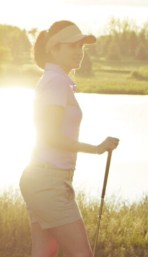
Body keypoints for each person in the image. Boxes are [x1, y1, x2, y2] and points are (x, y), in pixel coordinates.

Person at [20, 21, 120, 257]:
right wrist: (96, 148)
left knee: (44, 252)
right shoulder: (56, 82)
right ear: (54, 49)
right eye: (73, 46)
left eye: (82, 46)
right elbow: (51, 136)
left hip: (43, 179)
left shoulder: (55, 80)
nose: (79, 52)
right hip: (48, 182)